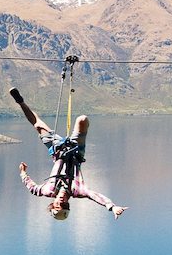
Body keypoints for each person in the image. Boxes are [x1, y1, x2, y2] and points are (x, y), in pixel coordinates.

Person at [10, 87, 127, 221]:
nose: (60, 202)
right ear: (68, 205)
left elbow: (32, 187)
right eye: (63, 205)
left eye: (57, 205)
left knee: (37, 125)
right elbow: (95, 196)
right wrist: (111, 206)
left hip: (58, 150)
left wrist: (23, 172)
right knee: (82, 119)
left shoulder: (47, 190)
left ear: (52, 204)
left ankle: (20, 102)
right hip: (76, 151)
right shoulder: (78, 190)